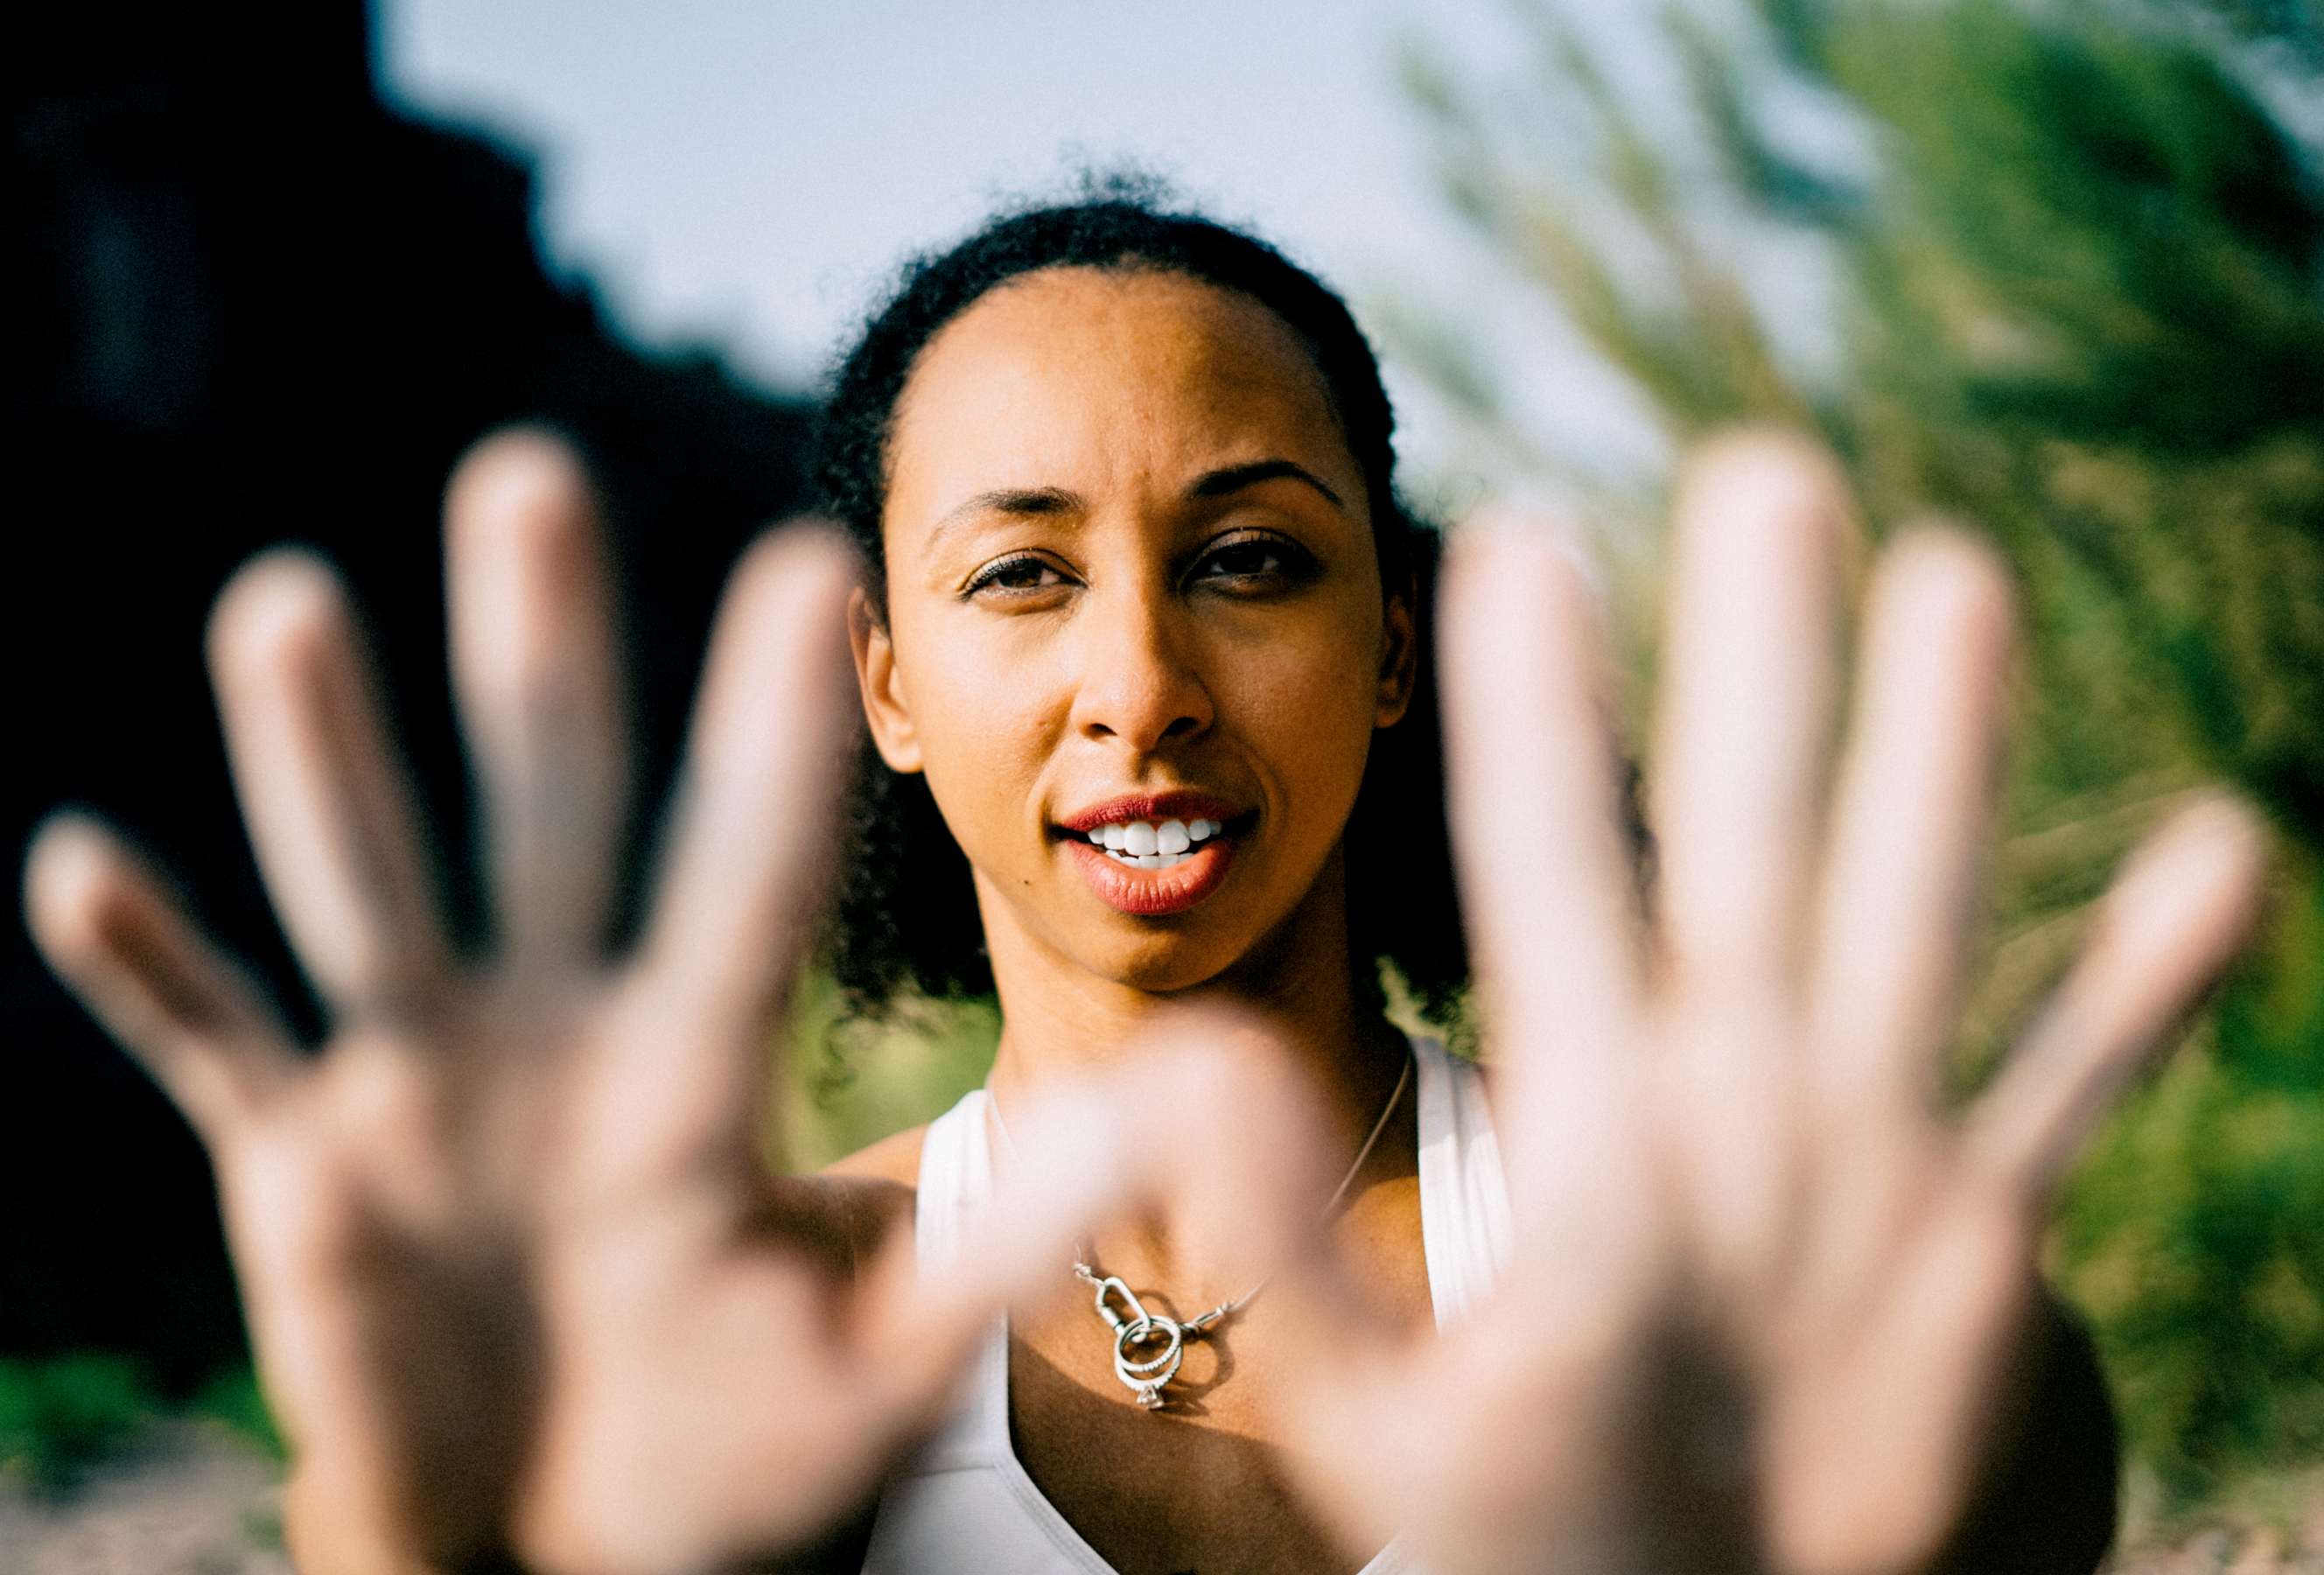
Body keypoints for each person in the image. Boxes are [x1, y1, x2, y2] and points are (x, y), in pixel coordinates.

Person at [19, 190, 2265, 1575]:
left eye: (1250, 562)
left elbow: (1979, 1498)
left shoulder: (1655, 1253)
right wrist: (426, 1541)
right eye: (1020, 576)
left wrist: (1963, 1469)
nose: (1140, 684)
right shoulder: (773, 1316)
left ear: (1391, 650)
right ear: (883, 687)